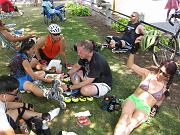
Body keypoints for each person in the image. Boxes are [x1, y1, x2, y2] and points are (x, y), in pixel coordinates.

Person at [114, 47, 177, 135]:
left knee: (131, 124)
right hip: (134, 100)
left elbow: (160, 100)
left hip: (145, 108)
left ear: (169, 76)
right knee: (124, 118)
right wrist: (134, 50)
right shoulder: (147, 74)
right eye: (160, 71)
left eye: (165, 74)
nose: (160, 75)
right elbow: (130, 65)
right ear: (159, 67)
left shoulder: (166, 87)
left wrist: (155, 107)